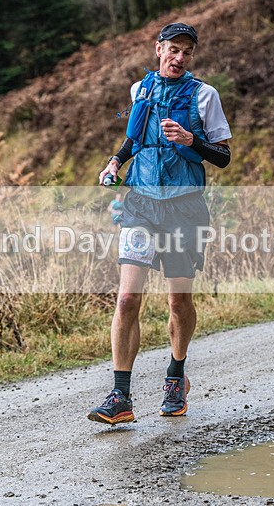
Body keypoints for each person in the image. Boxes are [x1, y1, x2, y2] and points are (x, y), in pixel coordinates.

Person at [89, 22, 232, 424]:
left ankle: (175, 375)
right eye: (173, 49)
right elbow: (134, 140)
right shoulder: (142, 90)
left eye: (187, 51)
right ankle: (120, 396)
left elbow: (221, 157)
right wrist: (116, 161)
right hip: (141, 206)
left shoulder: (205, 96)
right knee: (127, 298)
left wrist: (191, 141)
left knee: (177, 301)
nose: (179, 57)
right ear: (158, 49)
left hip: (184, 208)